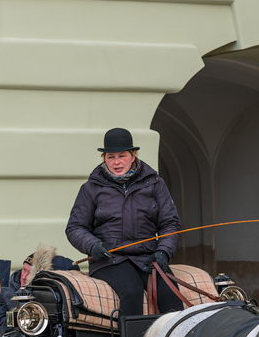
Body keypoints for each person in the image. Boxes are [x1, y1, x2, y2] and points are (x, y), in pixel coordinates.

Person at [66, 128, 184, 316]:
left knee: (169, 292)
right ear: (104, 157)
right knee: (131, 291)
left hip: (148, 257)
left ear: (133, 155)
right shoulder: (90, 188)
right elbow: (75, 228)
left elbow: (170, 223)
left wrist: (163, 252)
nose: (116, 162)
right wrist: (93, 245)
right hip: (109, 260)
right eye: (111, 157)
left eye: (122, 155)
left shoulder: (155, 184)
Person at [0, 245, 79, 330]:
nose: (24, 277)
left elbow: (11, 332)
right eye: (24, 270)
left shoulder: (45, 297)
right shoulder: (6, 290)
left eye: (30, 272)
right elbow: (5, 332)